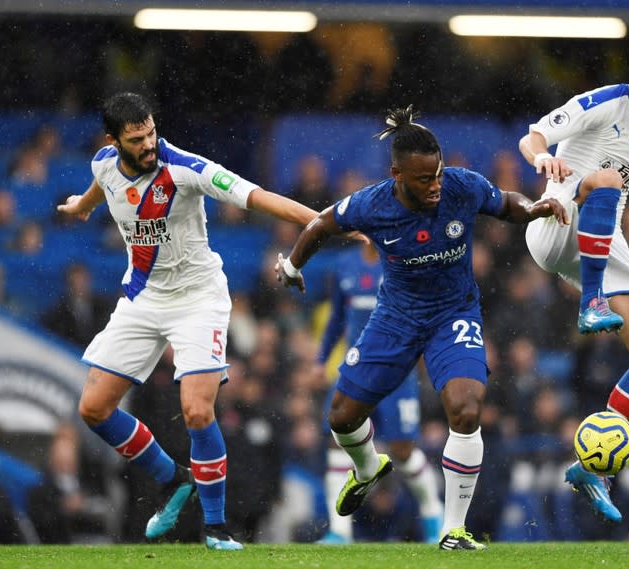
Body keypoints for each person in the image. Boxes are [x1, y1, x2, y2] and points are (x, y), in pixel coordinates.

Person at [275, 105, 567, 550]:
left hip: (454, 314)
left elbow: (507, 204)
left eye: (437, 174)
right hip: (396, 317)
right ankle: (369, 468)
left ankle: (453, 530)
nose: (434, 186)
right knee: (341, 417)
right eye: (423, 179)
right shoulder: (372, 203)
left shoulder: (461, 187)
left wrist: (536, 206)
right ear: (396, 174)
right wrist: (294, 266)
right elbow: (320, 224)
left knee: (467, 410)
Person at [56, 92, 320, 550]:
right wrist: (83, 204)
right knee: (93, 409)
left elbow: (257, 197)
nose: (149, 144)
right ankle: (172, 479)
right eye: (137, 139)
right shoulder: (103, 163)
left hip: (198, 299)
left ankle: (216, 528)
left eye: (152, 132)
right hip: (142, 296)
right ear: (113, 140)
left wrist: (324, 222)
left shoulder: (184, 168)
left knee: (198, 411)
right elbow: (104, 184)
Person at [519, 38, 629, 522]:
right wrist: (542, 160)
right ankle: (590, 301)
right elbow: (531, 137)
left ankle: (592, 468)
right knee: (608, 182)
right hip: (555, 219)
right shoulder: (605, 102)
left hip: (601, 239)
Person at [316, 240, 443, 544]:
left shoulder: (405, 262)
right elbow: (337, 317)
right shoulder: (344, 264)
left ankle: (432, 512)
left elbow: (424, 314)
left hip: (398, 371)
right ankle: (340, 531)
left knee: (402, 451)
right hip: (356, 369)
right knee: (337, 445)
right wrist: (320, 359)